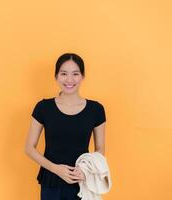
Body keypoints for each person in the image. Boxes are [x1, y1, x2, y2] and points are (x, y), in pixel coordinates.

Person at [24, 53, 107, 200]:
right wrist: (56, 169)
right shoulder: (43, 107)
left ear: (82, 76)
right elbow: (29, 148)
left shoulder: (96, 110)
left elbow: (100, 149)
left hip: (82, 181)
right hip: (51, 182)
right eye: (64, 74)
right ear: (56, 76)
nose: (69, 79)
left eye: (75, 74)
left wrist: (86, 170)